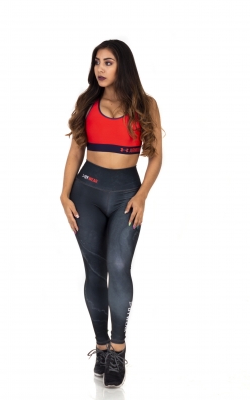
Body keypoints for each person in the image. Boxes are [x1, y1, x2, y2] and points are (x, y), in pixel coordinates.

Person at [60, 39, 164, 388]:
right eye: (96, 62)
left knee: (119, 267)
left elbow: (156, 156)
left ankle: (118, 350)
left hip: (126, 195)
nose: (100, 69)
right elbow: (75, 153)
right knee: (94, 272)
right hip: (86, 193)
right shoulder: (87, 102)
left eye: (108, 62)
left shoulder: (146, 105)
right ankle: (101, 348)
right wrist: (64, 195)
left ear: (123, 66)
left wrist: (142, 195)